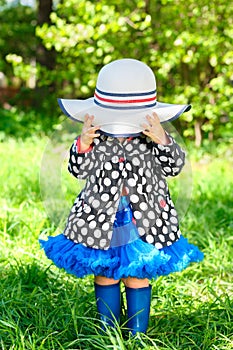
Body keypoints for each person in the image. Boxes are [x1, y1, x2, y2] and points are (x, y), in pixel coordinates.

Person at [40, 58, 204, 335]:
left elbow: (174, 166)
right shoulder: (97, 138)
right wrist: (83, 145)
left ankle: (137, 333)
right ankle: (108, 330)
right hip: (100, 216)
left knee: (136, 272)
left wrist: (163, 139)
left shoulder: (151, 138)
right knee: (104, 270)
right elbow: (77, 170)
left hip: (144, 218)